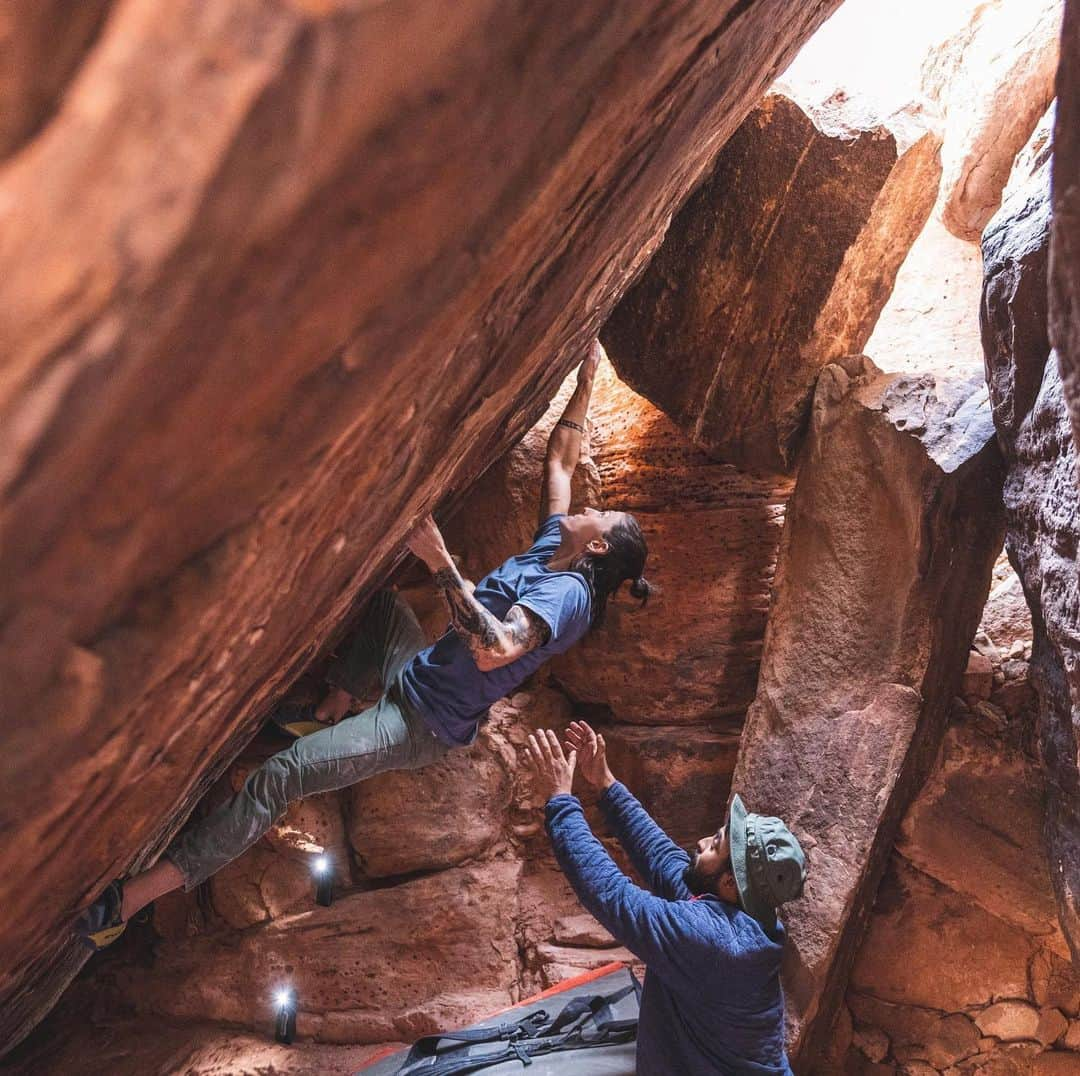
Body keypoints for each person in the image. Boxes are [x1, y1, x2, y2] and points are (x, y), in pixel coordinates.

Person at [79, 341, 653, 949]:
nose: (590, 507)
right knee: (384, 607)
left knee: (282, 775)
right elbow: (561, 463)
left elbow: (497, 649)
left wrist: (441, 563)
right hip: (416, 673)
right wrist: (587, 377)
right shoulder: (555, 550)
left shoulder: (570, 598)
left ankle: (127, 903)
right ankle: (330, 710)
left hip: (419, 724)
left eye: (603, 516)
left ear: (597, 549)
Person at [526, 720, 807, 1076]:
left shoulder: (714, 940)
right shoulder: (747, 913)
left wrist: (561, 801)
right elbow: (663, 860)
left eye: (715, 846)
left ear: (731, 885)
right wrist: (604, 782)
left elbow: (613, 894)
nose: (702, 842)